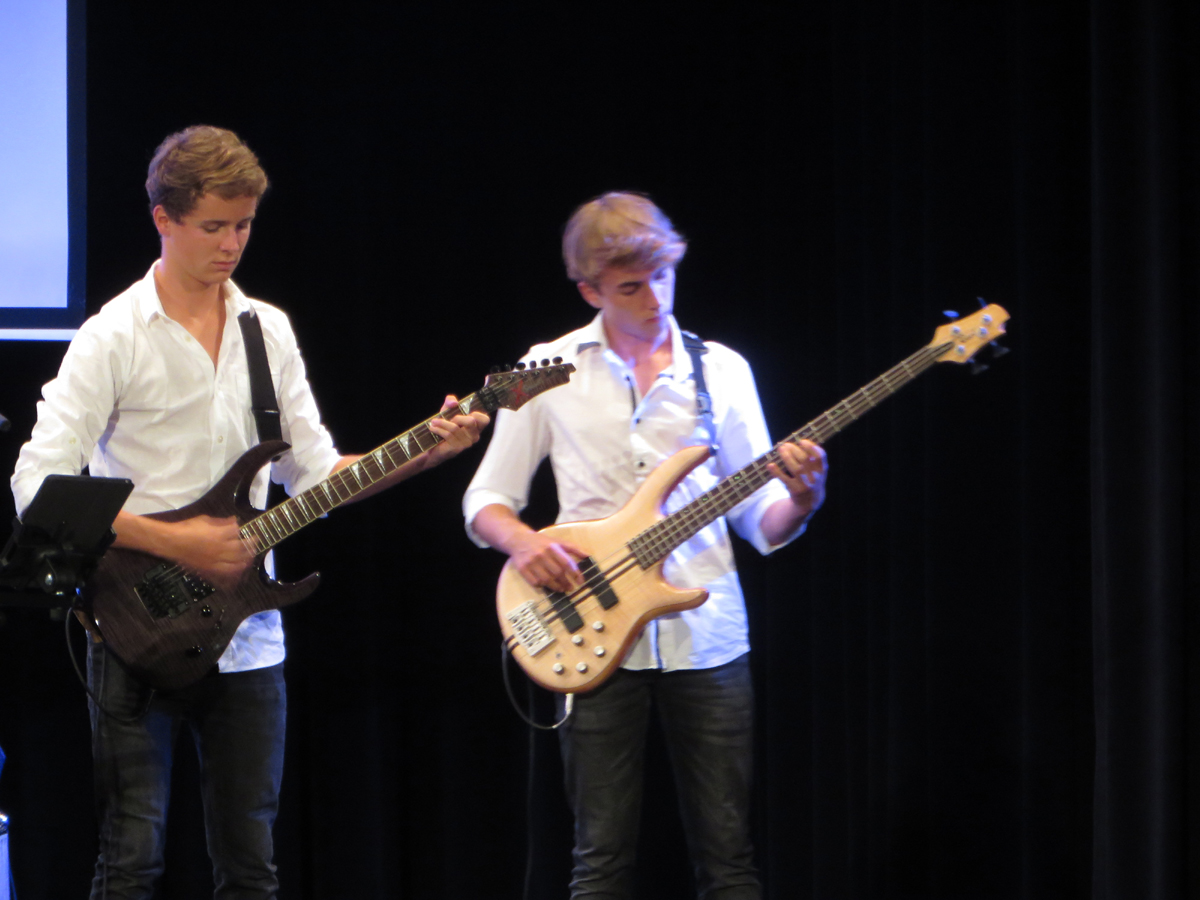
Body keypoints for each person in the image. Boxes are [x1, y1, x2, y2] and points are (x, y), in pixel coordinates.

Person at [10, 125, 488, 899]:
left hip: (247, 637)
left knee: (251, 871)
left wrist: (424, 453)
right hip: (133, 626)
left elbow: (316, 475)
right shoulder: (112, 336)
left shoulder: (268, 330)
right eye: (213, 226)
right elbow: (37, 484)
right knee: (131, 865)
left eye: (244, 226)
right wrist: (178, 543)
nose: (231, 244)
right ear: (164, 219)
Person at [463, 192, 828, 899]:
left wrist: (805, 499)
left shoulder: (722, 369)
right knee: (599, 861)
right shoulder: (543, 367)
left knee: (729, 859)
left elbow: (761, 522)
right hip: (589, 634)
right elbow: (484, 501)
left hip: (708, 636)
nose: (655, 298)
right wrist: (523, 544)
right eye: (631, 286)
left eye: (663, 276)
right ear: (590, 290)